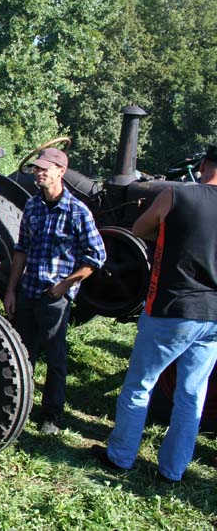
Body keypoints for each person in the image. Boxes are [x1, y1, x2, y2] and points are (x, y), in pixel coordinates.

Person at [94, 144, 217, 482]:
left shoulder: (177, 196)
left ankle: (119, 458)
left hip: (172, 309)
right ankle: (172, 472)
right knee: (192, 395)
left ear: (204, 164)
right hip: (213, 316)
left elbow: (137, 229)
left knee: (139, 385)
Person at [3, 148, 106, 435]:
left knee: (56, 357)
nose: (39, 173)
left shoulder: (77, 211)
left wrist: (64, 285)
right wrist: (11, 289)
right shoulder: (33, 207)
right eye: (37, 168)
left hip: (54, 297)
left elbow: (96, 256)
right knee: (22, 353)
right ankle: (19, 407)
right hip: (28, 292)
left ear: (61, 171)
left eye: (45, 169)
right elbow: (21, 250)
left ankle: (52, 415)